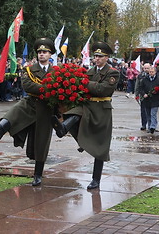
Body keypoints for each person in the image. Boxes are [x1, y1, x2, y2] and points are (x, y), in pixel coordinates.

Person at [0, 37, 56, 186]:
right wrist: (48, 89)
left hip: (46, 109)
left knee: (41, 143)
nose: (42, 54)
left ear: (51, 54)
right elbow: (27, 86)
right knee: (18, 108)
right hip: (31, 104)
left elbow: (57, 90)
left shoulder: (57, 72)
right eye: (39, 52)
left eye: (45, 52)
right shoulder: (29, 70)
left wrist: (46, 90)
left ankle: (38, 175)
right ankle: (1, 127)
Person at [51, 41, 120, 190]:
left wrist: (85, 83)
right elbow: (84, 86)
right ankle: (63, 128)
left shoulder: (112, 72)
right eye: (95, 56)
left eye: (100, 56)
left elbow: (103, 90)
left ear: (107, 57)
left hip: (102, 110)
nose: (97, 59)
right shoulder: (90, 72)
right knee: (74, 113)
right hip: (88, 106)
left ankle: (96, 180)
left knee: (100, 147)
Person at [140, 66, 159, 133]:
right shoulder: (145, 79)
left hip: (155, 99)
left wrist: (157, 91)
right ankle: (149, 126)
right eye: (150, 72)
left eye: (152, 72)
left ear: (155, 72)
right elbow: (141, 88)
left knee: (153, 113)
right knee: (148, 114)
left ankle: (153, 127)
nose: (151, 73)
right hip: (147, 99)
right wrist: (143, 94)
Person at [135, 63, 151, 130]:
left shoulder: (153, 75)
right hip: (143, 96)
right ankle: (144, 124)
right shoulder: (140, 76)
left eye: (148, 68)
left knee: (151, 112)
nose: (146, 69)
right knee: (143, 111)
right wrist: (136, 95)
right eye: (145, 68)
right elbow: (137, 86)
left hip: (152, 96)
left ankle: (151, 125)